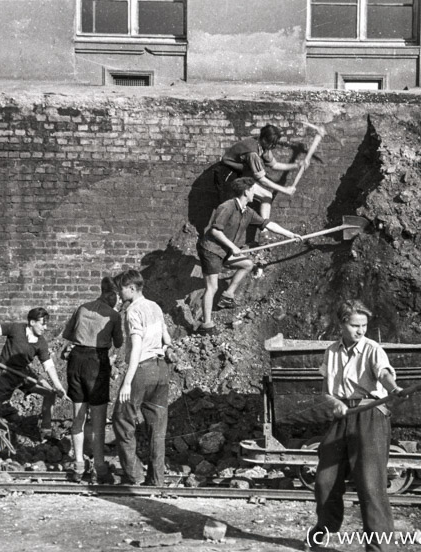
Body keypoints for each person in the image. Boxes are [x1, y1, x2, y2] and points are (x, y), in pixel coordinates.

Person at [307, 300, 403, 552]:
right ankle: (322, 532)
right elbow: (327, 392)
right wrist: (334, 403)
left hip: (370, 414)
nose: (361, 331)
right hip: (342, 416)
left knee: (371, 484)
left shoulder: (373, 349)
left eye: (364, 325)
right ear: (341, 324)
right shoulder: (331, 351)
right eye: (354, 325)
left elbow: (383, 373)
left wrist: (393, 388)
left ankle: (380, 548)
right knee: (325, 481)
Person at [195, 176, 301, 335]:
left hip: (225, 251)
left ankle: (228, 295)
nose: (255, 193)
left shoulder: (248, 212)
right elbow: (215, 230)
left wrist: (290, 234)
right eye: (254, 190)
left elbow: (267, 223)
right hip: (211, 250)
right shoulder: (227, 206)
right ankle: (207, 325)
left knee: (247, 264)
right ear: (246, 191)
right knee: (212, 286)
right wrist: (232, 247)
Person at [112, 270, 174, 486]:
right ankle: (157, 480)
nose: (119, 294)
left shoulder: (133, 311)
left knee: (121, 419)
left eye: (120, 289)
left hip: (142, 370)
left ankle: (135, 475)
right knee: (157, 428)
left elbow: (137, 346)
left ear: (131, 288)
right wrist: (162, 348)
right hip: (161, 370)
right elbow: (167, 338)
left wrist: (127, 382)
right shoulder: (155, 306)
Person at [61, 277, 124, 484]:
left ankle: (79, 464)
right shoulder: (113, 315)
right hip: (97, 362)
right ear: (110, 294)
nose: (119, 300)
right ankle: (100, 466)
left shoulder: (82, 308)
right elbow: (118, 342)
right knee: (98, 420)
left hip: (76, 361)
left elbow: (67, 334)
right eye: (117, 296)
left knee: (77, 416)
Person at [0, 307, 67, 438]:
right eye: (42, 323)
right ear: (32, 322)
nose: (45, 327)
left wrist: (58, 385)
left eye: (46, 324)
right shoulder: (15, 329)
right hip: (4, 372)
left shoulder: (41, 342)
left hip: (23, 373)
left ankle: (46, 430)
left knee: (50, 392)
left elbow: (48, 365)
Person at [219, 124, 309, 220]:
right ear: (264, 139)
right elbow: (262, 180)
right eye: (272, 143)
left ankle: (264, 231)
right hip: (228, 176)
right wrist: (284, 190)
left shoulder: (263, 146)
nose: (273, 146)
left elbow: (274, 165)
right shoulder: (252, 153)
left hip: (241, 176)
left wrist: (297, 165)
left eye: (275, 143)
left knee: (267, 196)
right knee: (239, 206)